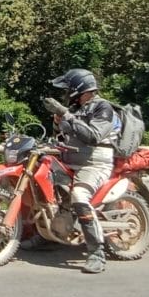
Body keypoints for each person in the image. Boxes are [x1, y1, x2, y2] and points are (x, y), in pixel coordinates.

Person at [43, 68, 120, 274]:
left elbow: (93, 136)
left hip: (94, 164)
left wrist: (65, 114)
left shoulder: (103, 108)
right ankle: (48, 234)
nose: (66, 94)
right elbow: (61, 136)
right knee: (43, 184)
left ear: (79, 89)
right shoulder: (75, 108)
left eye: (68, 89)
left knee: (78, 196)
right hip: (70, 160)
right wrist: (58, 124)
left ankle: (96, 252)